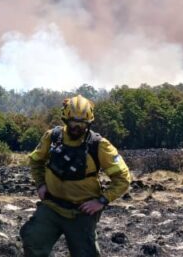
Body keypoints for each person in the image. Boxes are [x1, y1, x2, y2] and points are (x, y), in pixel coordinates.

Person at [20, 95, 132, 257]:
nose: (77, 127)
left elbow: (123, 178)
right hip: (52, 205)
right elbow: (36, 160)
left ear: (89, 123)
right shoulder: (52, 137)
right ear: (65, 119)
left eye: (82, 123)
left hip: (81, 212)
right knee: (32, 239)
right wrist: (40, 184)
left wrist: (102, 201)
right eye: (73, 122)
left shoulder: (99, 145)